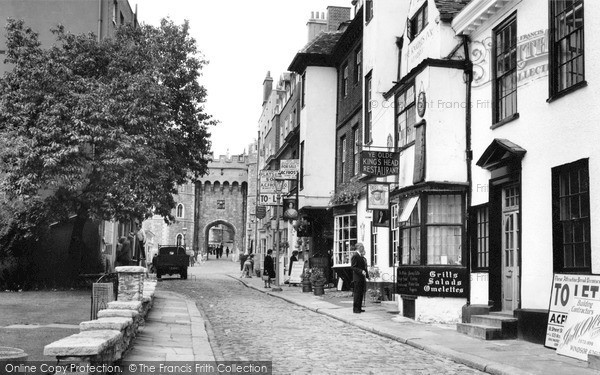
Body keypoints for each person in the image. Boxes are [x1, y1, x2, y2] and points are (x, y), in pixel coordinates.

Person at [351, 243, 369, 313]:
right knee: (357, 293)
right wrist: (361, 271)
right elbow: (353, 267)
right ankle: (355, 309)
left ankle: (359, 307)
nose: (363, 248)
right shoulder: (355, 255)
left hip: (361, 277)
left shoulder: (360, 256)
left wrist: (367, 275)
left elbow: (364, 267)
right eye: (362, 247)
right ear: (359, 247)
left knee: (361, 293)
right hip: (357, 278)